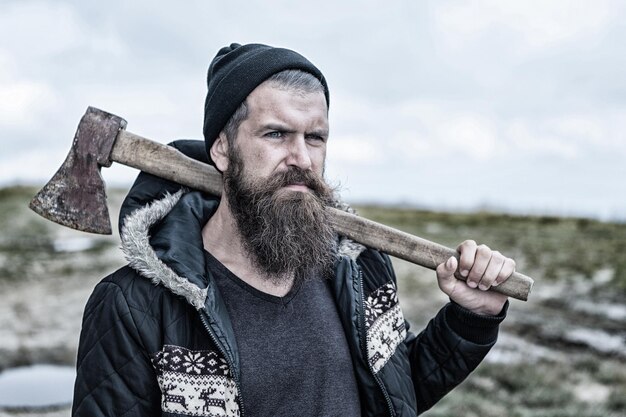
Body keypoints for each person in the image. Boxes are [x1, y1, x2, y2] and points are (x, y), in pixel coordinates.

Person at [72, 43, 516, 417]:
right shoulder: (135, 307)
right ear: (223, 148)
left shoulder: (358, 267)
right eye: (276, 134)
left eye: (315, 137)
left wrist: (470, 319)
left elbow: (393, 392)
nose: (302, 158)